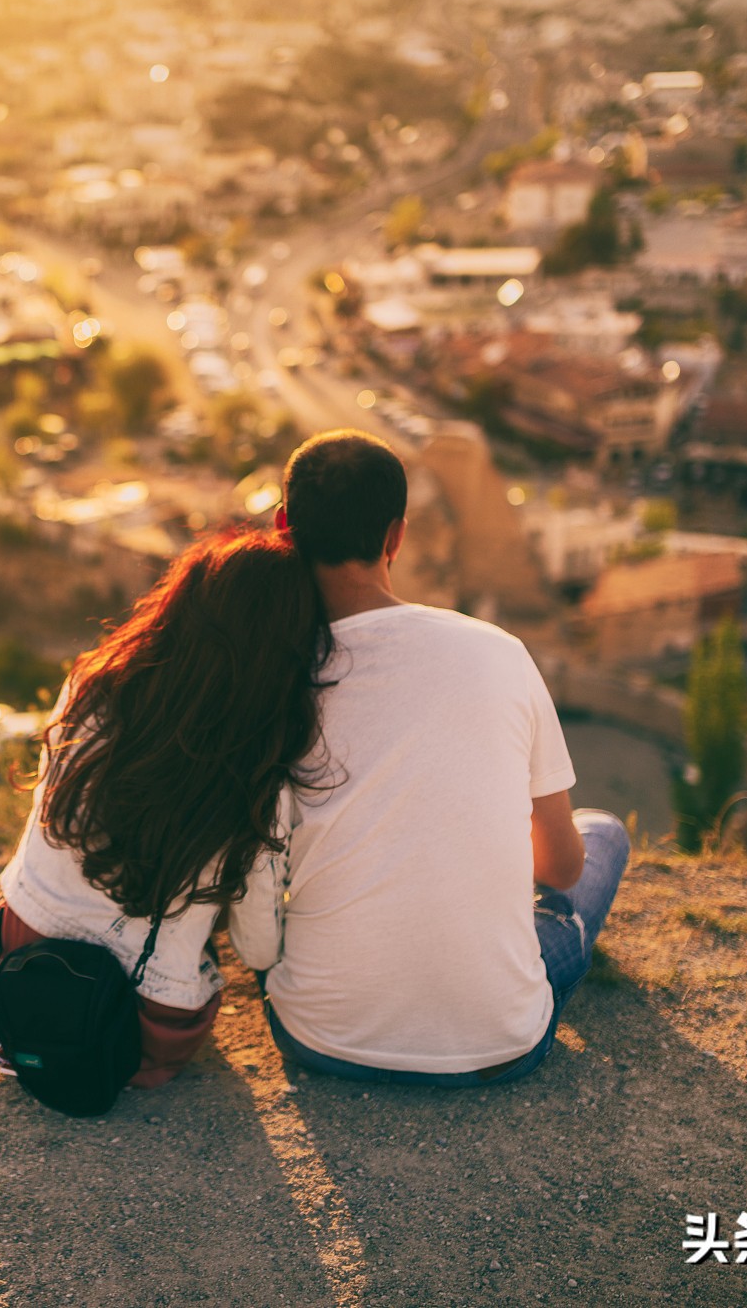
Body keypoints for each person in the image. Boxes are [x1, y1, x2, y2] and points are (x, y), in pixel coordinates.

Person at [231, 430, 630, 1086]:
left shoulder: (270, 676)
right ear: (396, 536)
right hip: (501, 1043)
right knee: (601, 834)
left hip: (319, 1035)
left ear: (284, 527)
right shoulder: (499, 651)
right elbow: (559, 866)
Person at [0, 527, 330, 1088]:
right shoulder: (258, 773)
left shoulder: (92, 686)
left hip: (12, 979)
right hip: (142, 1034)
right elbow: (257, 950)